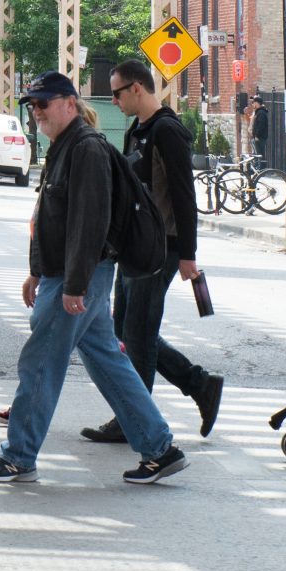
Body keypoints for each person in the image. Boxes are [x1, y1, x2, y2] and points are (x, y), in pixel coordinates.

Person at [0, 72, 185, 487]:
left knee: (39, 363)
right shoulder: (65, 147)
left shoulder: (85, 149)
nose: (36, 112)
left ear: (69, 103)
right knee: (107, 361)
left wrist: (74, 284)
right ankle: (159, 448)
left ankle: (18, 456)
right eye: (31, 105)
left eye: (43, 103)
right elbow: (49, 217)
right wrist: (36, 271)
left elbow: (89, 223)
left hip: (79, 278)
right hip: (72, 275)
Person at [95, 59, 225, 441]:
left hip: (161, 248)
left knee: (137, 334)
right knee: (127, 330)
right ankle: (199, 385)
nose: (114, 100)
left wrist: (188, 254)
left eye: (117, 93)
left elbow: (185, 196)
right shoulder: (137, 130)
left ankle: (134, 420)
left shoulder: (168, 131)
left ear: (137, 88)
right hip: (135, 246)